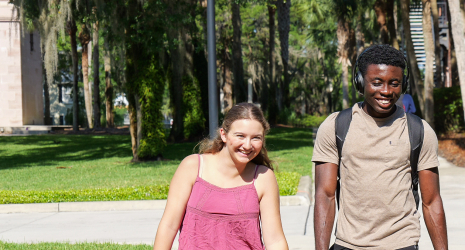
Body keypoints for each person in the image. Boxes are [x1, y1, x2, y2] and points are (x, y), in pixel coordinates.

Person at [312, 44, 448, 250]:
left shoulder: (419, 130)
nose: (386, 91)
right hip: (349, 243)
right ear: (360, 82)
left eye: (394, 83)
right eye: (377, 83)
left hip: (402, 243)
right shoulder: (336, 126)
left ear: (403, 84)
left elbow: (432, 201)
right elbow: (325, 195)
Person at [153, 103, 288, 250]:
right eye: (240, 136)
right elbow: (169, 226)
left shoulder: (264, 177)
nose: (248, 145)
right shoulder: (192, 167)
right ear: (223, 134)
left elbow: (275, 240)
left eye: (256, 138)